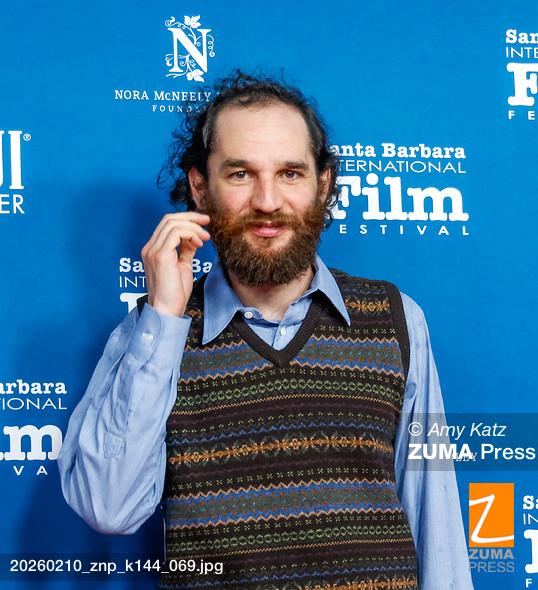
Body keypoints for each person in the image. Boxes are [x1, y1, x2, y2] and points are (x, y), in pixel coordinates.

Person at [58, 71, 473, 590]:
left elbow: (435, 520)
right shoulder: (152, 334)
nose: (268, 201)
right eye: (240, 174)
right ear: (200, 188)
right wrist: (163, 318)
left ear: (323, 185)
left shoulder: (395, 319)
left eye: (290, 173)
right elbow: (108, 508)